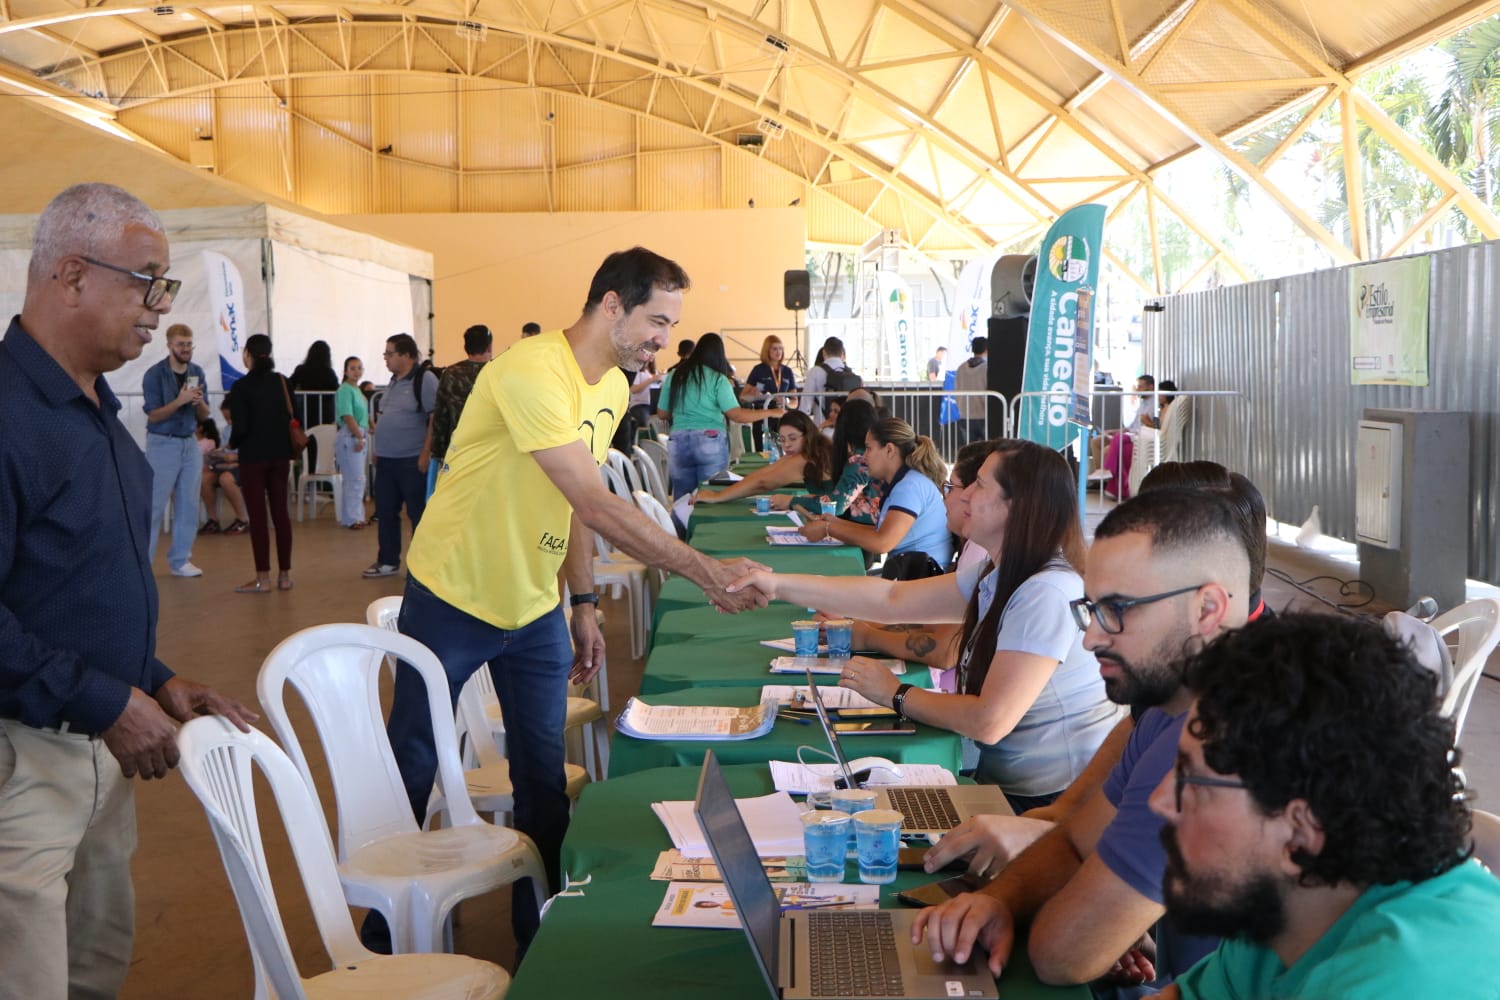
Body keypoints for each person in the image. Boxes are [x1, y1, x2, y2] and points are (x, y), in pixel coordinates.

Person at [379, 246, 771, 951]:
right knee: (412, 762)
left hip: (532, 610)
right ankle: (382, 936)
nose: (663, 338)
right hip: (451, 596)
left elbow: (568, 506)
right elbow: (595, 503)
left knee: (543, 781)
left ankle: (542, 941)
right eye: (657, 320)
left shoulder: (613, 387)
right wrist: (706, 572)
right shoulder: (533, 371)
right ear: (612, 305)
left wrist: (583, 601)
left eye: (672, 323)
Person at [0, 182, 256, 1000]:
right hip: (27, 760)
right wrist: (104, 701)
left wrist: (154, 680)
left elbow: (72, 591)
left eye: (167, 285)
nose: (159, 306)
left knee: (90, 971)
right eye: (148, 280)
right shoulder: (8, 416)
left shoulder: (101, 416)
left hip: (102, 752)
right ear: (72, 275)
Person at [912, 487, 1253, 992]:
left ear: (1207, 608)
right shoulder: (1165, 709)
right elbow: (1073, 840)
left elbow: (1060, 955)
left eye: (1118, 609)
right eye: (1091, 609)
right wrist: (1000, 899)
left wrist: (1079, 915)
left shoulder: (1219, 738)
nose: (1091, 636)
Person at [731, 439, 1119, 811]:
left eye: (979, 486)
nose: (963, 495)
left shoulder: (1045, 591)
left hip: (1045, 804)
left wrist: (896, 694)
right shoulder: (1004, 572)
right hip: (1009, 783)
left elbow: (989, 721)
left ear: (1018, 507)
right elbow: (891, 600)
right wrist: (777, 584)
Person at [1153, 613, 1499, 999]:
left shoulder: (1408, 980)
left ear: (1301, 834)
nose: (1160, 802)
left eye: (1193, 783)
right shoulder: (1288, 903)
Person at [839, 440, 1002, 687]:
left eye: (951, 487)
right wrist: (857, 619)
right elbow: (919, 612)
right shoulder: (975, 546)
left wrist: (867, 636)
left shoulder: (981, 551)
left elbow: (945, 650)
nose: (945, 498)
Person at [798, 417, 953, 574]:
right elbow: (879, 531)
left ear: (889, 450)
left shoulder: (910, 487)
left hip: (923, 580)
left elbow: (882, 542)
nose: (864, 456)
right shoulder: (906, 482)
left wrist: (828, 529)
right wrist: (835, 522)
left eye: (868, 448)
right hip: (913, 574)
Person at [656, 332, 785, 498]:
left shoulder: (675, 375)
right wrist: (771, 412)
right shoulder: (718, 379)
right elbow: (736, 415)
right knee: (711, 494)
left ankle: (681, 524)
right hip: (710, 438)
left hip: (678, 439)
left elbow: (662, 413)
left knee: (682, 497)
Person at [364, 333, 438, 578]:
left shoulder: (424, 380)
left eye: (390, 353)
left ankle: (422, 566)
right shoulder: (394, 381)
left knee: (418, 514)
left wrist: (426, 451)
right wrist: (377, 449)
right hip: (386, 460)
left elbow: (434, 417)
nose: (385, 358)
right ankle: (387, 561)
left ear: (406, 355)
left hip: (411, 460)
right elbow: (385, 417)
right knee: (385, 512)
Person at [227, 334, 295, 594]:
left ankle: (263, 578)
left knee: (258, 518)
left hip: (253, 458)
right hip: (280, 455)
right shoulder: (282, 382)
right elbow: (294, 415)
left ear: (248, 354)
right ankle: (285, 576)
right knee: (281, 514)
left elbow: (241, 427)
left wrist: (231, 445)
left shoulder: (241, 387)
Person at [142, 321, 211, 577]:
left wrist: (199, 401)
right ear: (169, 345)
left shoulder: (197, 372)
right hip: (162, 442)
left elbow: (205, 416)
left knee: (188, 503)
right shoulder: (154, 374)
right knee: (154, 505)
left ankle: (181, 559)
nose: (186, 349)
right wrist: (179, 400)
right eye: (181, 344)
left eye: (189, 344)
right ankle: (144, 563)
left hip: (189, 442)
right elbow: (154, 415)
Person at [773, 397, 883, 523]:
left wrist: (791, 501)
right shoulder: (874, 454)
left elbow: (835, 506)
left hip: (868, 531)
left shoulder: (860, 460)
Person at [695, 410, 833, 504]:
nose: (787, 445)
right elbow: (763, 474)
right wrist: (720, 494)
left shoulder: (804, 458)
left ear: (807, 435)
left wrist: (717, 497)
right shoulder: (814, 449)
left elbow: (763, 483)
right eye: (783, 440)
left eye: (793, 438)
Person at [426, 323, 493, 496]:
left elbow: (441, 415)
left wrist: (438, 452)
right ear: (490, 346)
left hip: (458, 451)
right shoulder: (498, 370)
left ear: (465, 347)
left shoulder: (451, 373)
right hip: (493, 451)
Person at [742, 334, 797, 450]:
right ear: (767, 350)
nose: (778, 352)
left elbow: (795, 402)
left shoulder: (787, 371)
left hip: (782, 417)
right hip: (762, 416)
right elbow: (743, 397)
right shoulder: (758, 370)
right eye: (774, 349)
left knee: (784, 452)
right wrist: (753, 395)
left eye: (781, 348)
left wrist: (786, 401)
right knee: (762, 452)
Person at [195, 418, 249, 535]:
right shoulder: (226, 429)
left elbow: (255, 452)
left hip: (245, 465)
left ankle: (242, 519)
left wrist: (235, 458)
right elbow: (225, 449)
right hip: (225, 464)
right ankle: (213, 519)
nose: (228, 421)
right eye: (225, 418)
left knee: (226, 479)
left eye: (230, 418)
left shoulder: (251, 427)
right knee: (204, 478)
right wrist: (219, 455)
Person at [334, 356, 369, 529]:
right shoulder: (345, 390)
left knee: (357, 479)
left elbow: (364, 416)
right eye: (353, 368)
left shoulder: (358, 391)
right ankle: (353, 518)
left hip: (359, 433)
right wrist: (359, 436)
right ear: (346, 371)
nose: (356, 371)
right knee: (355, 478)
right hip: (351, 434)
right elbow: (347, 415)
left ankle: (355, 516)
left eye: (359, 368)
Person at [799, 335, 860, 417]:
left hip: (824, 424)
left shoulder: (815, 371)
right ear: (842, 353)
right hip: (847, 425)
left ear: (824, 352)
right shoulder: (851, 374)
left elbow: (806, 403)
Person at [287, 338, 339, 428]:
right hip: (325, 412)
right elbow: (337, 389)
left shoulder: (301, 370)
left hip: (305, 411)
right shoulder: (329, 373)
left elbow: (289, 384)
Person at [954, 336, 989, 444]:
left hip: (965, 414)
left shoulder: (961, 368)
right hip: (983, 414)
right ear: (986, 349)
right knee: (987, 449)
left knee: (969, 451)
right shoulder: (987, 368)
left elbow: (956, 389)